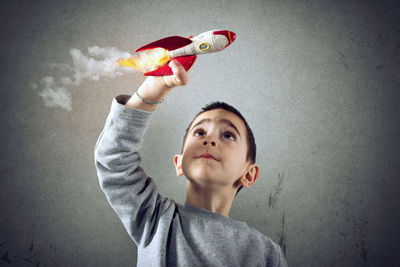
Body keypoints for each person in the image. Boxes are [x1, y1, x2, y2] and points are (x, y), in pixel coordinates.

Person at [94, 59, 288, 266]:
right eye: (200, 132)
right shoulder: (156, 219)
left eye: (228, 135)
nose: (209, 139)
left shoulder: (266, 252)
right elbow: (113, 158)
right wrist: (154, 88)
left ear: (249, 174)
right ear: (179, 163)